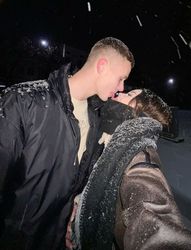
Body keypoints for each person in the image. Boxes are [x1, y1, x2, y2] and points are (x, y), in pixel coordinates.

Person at [0, 37, 134, 250]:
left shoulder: (95, 121)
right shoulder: (23, 102)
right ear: (102, 66)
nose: (121, 87)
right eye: (121, 78)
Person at [69, 89, 191, 250]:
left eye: (129, 94)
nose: (120, 92)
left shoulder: (140, 156)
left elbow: (154, 223)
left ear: (138, 111)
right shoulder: (109, 140)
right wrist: (76, 207)